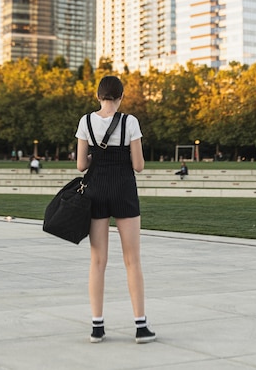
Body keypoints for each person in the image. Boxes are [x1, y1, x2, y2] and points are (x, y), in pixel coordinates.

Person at [76, 75, 156, 345]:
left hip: (96, 191)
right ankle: (140, 327)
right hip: (123, 190)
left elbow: (80, 165)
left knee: (98, 262)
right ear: (121, 97)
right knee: (132, 260)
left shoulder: (85, 122)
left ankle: (97, 327)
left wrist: (95, 156)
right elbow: (138, 165)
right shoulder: (130, 122)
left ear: (98, 96)